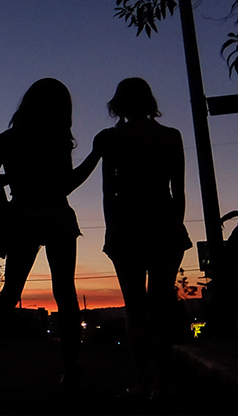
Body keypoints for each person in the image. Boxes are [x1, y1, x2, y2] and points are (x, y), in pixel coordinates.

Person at [72, 77, 192, 400]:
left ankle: (143, 381)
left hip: (126, 229)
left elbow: (107, 193)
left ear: (118, 105)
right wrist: (174, 224)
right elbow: (177, 190)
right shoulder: (170, 136)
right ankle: (163, 383)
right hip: (164, 225)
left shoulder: (113, 140)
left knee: (135, 309)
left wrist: (113, 231)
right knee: (161, 307)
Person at [0, 78, 82, 391]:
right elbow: (66, 184)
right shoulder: (58, 141)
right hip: (57, 215)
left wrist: (13, 177)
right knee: (65, 294)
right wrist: (94, 157)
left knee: (10, 292)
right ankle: (71, 371)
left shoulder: (6, 139)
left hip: (22, 215)